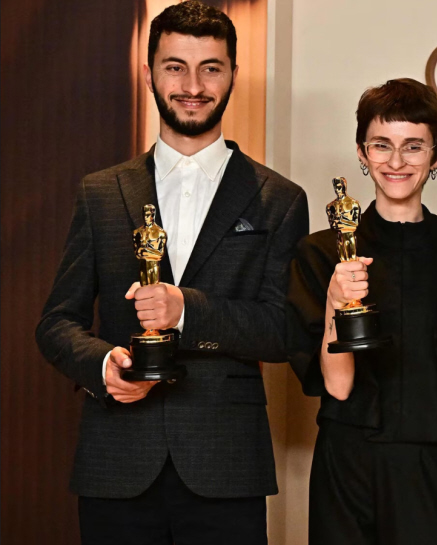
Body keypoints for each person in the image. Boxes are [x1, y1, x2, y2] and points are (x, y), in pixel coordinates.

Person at [34, 2, 309, 543]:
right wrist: (104, 364)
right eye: (175, 67)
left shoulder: (279, 199)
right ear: (149, 75)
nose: (193, 86)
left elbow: (284, 331)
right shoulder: (100, 192)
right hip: (116, 462)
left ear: (233, 75)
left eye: (211, 68)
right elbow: (57, 323)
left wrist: (187, 310)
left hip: (226, 467)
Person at [287, 78, 437, 545]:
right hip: (346, 461)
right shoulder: (320, 251)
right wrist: (336, 301)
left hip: (433, 459)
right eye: (381, 145)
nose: (396, 161)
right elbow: (338, 385)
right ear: (362, 153)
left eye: (414, 146)